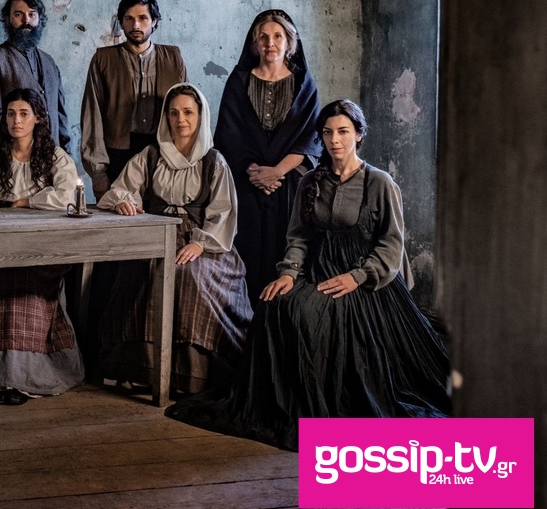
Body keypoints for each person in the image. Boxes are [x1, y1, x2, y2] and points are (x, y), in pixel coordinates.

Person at [165, 100, 450, 451]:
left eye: (343, 132)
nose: (335, 140)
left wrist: (358, 276)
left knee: (311, 315)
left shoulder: (379, 182)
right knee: (272, 305)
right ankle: (282, 405)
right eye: (328, 133)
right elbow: (299, 237)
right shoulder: (311, 181)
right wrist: (288, 273)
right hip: (317, 270)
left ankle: (323, 406)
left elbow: (392, 244)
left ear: (359, 135)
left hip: (366, 280)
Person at [97, 83, 253, 394]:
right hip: (157, 232)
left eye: (188, 112)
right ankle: (141, 369)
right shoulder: (151, 155)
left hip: (202, 241)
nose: (180, 119)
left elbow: (224, 213)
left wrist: (199, 243)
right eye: (174, 113)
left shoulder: (213, 161)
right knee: (146, 271)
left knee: (187, 276)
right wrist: (123, 203)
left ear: (200, 116)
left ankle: (189, 375)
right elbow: (121, 190)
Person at [0, 89, 86, 405]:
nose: (16, 120)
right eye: (11, 114)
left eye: (24, 113)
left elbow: (69, 197)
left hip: (43, 249)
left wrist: (28, 201)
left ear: (38, 118)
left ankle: (23, 379)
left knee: (28, 285)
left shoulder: (55, 158)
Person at [213, 9, 321, 300]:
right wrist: (253, 171)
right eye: (263, 37)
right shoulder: (239, 81)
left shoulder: (303, 84)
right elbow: (229, 134)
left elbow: (310, 137)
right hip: (246, 181)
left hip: (289, 184)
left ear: (289, 42)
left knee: (287, 248)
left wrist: (277, 171)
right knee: (247, 251)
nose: (270, 43)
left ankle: (282, 314)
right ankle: (246, 316)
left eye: (277, 36)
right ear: (254, 43)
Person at [81, 0, 189, 200]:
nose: (136, 25)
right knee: (120, 214)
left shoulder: (173, 58)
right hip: (118, 156)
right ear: (122, 23)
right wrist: (98, 172)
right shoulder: (104, 59)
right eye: (129, 19)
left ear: (154, 21)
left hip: (164, 154)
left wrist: (185, 159)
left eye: (142, 18)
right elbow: (92, 116)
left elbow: (187, 110)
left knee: (160, 215)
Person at [0, 0, 71, 152]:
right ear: (7, 19)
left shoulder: (49, 63)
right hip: (12, 160)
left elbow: (61, 116)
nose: (26, 21)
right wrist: (0, 162)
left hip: (52, 159)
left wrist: (67, 156)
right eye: (18, 14)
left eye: (32, 14)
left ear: (40, 19)